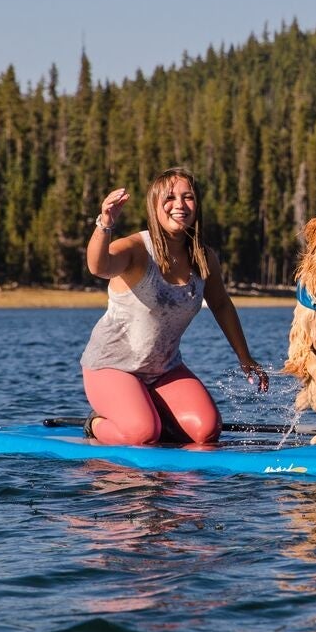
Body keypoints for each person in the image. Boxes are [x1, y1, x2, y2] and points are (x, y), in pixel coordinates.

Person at [81, 167, 269, 445]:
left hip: (163, 369)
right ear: (154, 205)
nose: (179, 204)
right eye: (169, 198)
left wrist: (245, 357)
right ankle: (96, 423)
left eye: (188, 197)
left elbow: (220, 304)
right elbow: (99, 266)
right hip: (111, 366)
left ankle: (149, 412)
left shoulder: (203, 257)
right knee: (143, 434)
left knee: (206, 432)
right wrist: (105, 224)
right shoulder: (136, 249)